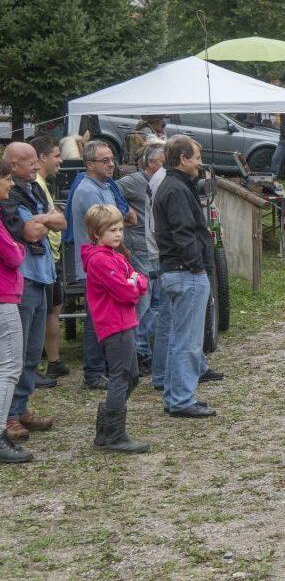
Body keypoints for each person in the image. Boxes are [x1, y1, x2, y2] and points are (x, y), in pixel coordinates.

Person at [0, 143, 64, 442]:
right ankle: (8, 417)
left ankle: (21, 407)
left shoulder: (35, 189)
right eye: (29, 162)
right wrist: (45, 219)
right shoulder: (9, 195)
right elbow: (29, 233)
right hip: (21, 281)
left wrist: (41, 219)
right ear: (12, 165)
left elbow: (60, 222)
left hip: (42, 277)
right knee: (15, 353)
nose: (37, 166)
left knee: (31, 352)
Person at [152, 135, 217, 418]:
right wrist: (197, 265)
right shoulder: (176, 189)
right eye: (197, 158)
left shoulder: (174, 185)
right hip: (185, 271)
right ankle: (180, 399)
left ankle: (174, 395)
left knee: (178, 339)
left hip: (176, 270)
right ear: (183, 159)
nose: (200, 164)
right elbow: (183, 232)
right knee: (188, 342)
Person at [65, 140, 136, 390]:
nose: (111, 164)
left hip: (108, 260)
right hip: (96, 264)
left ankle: (101, 367)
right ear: (89, 164)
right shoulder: (89, 190)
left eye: (112, 159)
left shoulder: (105, 186)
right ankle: (93, 372)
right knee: (97, 318)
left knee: (103, 315)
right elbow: (105, 227)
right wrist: (125, 255)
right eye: (104, 160)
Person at [81, 205, 150, 453]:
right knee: (121, 376)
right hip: (114, 324)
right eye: (112, 230)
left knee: (131, 376)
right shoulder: (100, 260)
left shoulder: (117, 256)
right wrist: (133, 284)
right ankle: (114, 434)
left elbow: (141, 279)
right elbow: (126, 292)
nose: (118, 234)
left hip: (125, 322)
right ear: (96, 233)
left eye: (120, 229)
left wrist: (134, 282)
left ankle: (106, 424)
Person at [117, 143, 166, 373]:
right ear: (150, 163)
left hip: (157, 247)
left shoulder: (164, 181)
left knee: (157, 301)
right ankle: (137, 351)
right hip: (139, 246)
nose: (165, 166)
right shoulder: (132, 181)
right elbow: (111, 193)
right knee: (143, 300)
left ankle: (143, 348)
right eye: (161, 162)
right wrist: (126, 213)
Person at [0, 159, 32, 463]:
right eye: (7, 179)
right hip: (3, 297)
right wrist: (19, 247)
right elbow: (12, 254)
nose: (10, 184)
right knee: (9, 367)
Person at [29, 136, 66, 383]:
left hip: (51, 255)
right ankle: (49, 362)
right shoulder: (37, 185)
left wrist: (53, 217)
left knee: (52, 311)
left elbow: (57, 219)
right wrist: (52, 218)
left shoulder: (42, 184)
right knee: (48, 313)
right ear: (41, 157)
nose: (60, 161)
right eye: (55, 155)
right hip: (45, 257)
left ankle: (52, 360)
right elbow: (42, 222)